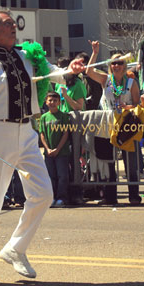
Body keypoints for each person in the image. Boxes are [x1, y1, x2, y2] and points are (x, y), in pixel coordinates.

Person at [0, 7, 85, 286]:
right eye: (8, 24)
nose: (14, 28)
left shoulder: (28, 55)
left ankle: (15, 248)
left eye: (13, 24)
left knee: (44, 194)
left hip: (27, 132)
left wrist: (71, 71)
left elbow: (54, 75)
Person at [86, 40, 141, 205]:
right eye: (113, 63)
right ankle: (110, 196)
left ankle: (134, 195)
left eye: (120, 63)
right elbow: (88, 71)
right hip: (108, 123)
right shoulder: (106, 80)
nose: (116, 65)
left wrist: (128, 106)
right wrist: (95, 52)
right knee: (108, 161)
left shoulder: (131, 83)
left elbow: (138, 105)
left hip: (126, 125)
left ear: (124, 66)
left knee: (130, 162)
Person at [55, 57, 87, 205]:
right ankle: (63, 192)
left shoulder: (78, 84)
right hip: (60, 123)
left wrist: (66, 96)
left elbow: (78, 106)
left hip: (74, 122)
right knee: (63, 159)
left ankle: (77, 193)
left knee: (75, 159)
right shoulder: (58, 83)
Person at [39, 92, 70, 207]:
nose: (52, 103)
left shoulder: (63, 116)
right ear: (46, 102)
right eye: (50, 100)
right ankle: (51, 197)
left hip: (61, 152)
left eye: (55, 100)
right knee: (51, 176)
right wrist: (47, 149)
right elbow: (42, 134)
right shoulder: (43, 117)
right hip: (49, 153)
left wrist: (57, 149)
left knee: (62, 175)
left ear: (59, 102)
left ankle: (62, 197)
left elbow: (65, 133)